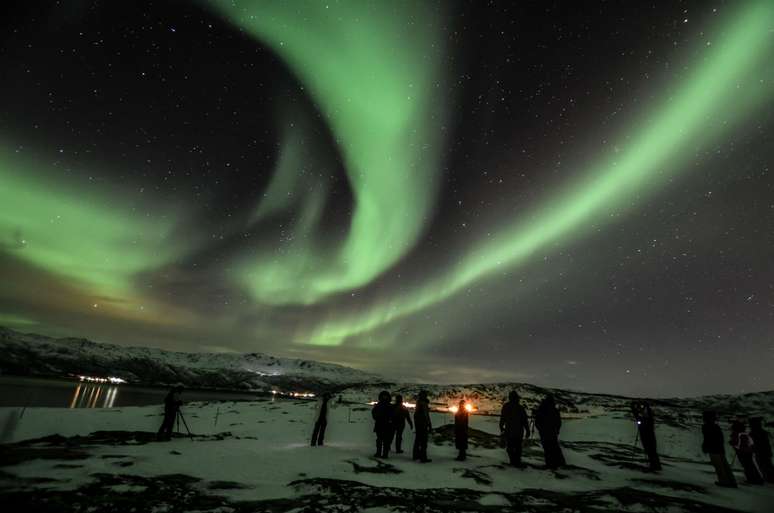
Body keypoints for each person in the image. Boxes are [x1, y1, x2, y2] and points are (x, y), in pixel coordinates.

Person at [701, 411, 737, 487]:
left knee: (719, 466)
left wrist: (705, 447)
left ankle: (724, 481)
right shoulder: (716, 426)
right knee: (725, 465)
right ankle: (732, 481)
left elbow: (707, 438)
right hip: (719, 449)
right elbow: (720, 439)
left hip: (713, 449)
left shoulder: (706, 426)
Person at [534, 394, 565, 470]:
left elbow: (537, 421)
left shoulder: (541, 409)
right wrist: (556, 430)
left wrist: (541, 430)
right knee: (553, 448)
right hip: (551, 433)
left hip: (545, 433)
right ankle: (557, 464)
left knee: (548, 449)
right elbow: (558, 422)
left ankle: (550, 464)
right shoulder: (554, 410)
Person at [499, 391, 529, 467]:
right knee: (518, 447)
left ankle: (513, 461)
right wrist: (527, 430)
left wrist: (501, 427)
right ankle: (517, 461)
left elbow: (503, 418)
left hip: (509, 430)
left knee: (510, 447)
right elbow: (525, 420)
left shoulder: (506, 406)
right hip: (519, 431)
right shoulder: (520, 408)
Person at [730, 419, 764, 485]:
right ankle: (757, 479)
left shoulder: (739, 435)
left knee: (747, 466)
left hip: (743, 452)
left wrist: (734, 445)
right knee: (750, 465)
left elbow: (738, 444)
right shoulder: (745, 434)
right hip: (748, 452)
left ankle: (752, 479)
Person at [632, 401, 662, 471]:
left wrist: (646, 406)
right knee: (649, 451)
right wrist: (634, 406)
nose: (642, 409)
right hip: (645, 436)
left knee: (652, 451)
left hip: (650, 437)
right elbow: (635, 414)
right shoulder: (641, 417)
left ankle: (656, 466)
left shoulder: (649, 418)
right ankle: (654, 465)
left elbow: (649, 416)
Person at [749, 417, 774, 483]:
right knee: (768, 464)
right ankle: (770, 478)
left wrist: (752, 449)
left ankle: (768, 478)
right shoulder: (763, 432)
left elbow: (753, 443)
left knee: (763, 465)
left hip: (759, 451)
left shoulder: (752, 433)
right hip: (766, 451)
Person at [372, 390, 395, 458]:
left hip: (387, 425)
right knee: (380, 440)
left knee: (385, 441)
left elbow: (393, 415)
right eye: (384, 396)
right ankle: (379, 453)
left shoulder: (389, 406)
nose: (385, 398)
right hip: (381, 424)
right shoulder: (379, 405)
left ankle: (384, 454)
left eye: (386, 396)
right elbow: (374, 414)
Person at [413, 390, 432, 462]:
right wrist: (428, 424)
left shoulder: (419, 403)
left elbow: (418, 416)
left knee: (418, 440)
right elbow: (426, 416)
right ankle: (423, 457)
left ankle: (416, 455)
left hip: (420, 425)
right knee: (423, 441)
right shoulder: (422, 404)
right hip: (422, 425)